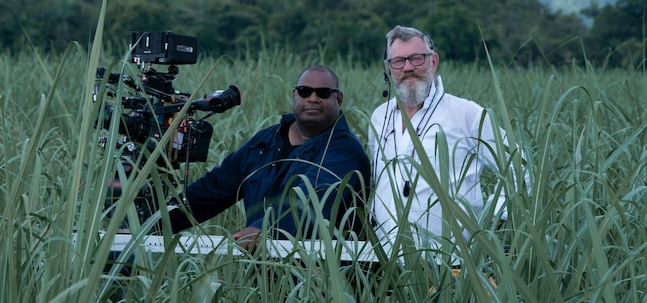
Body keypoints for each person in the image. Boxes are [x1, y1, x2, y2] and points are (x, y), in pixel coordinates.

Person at [169, 65, 371, 249]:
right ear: (294, 95)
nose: (313, 98)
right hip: (261, 278)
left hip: (318, 278)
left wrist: (264, 228)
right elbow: (213, 188)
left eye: (323, 93)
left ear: (339, 99)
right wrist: (160, 218)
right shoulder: (266, 141)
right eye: (305, 91)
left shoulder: (346, 151)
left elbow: (311, 198)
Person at [368, 26, 527, 253]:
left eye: (417, 58)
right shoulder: (379, 117)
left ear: (433, 62)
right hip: (384, 257)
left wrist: (492, 218)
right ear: (389, 69)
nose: (408, 68)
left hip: (452, 261)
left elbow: (521, 171)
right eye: (399, 61)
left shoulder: (466, 114)